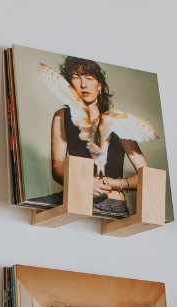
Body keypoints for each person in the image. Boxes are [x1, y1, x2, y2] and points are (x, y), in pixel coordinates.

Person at [35, 56, 158, 217]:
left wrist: (111, 183)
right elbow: (57, 167)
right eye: (76, 78)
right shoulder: (62, 116)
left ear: (99, 85)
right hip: (73, 196)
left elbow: (147, 177)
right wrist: (81, 181)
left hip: (110, 203)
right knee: (30, 207)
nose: (83, 84)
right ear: (70, 85)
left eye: (89, 78)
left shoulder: (115, 121)